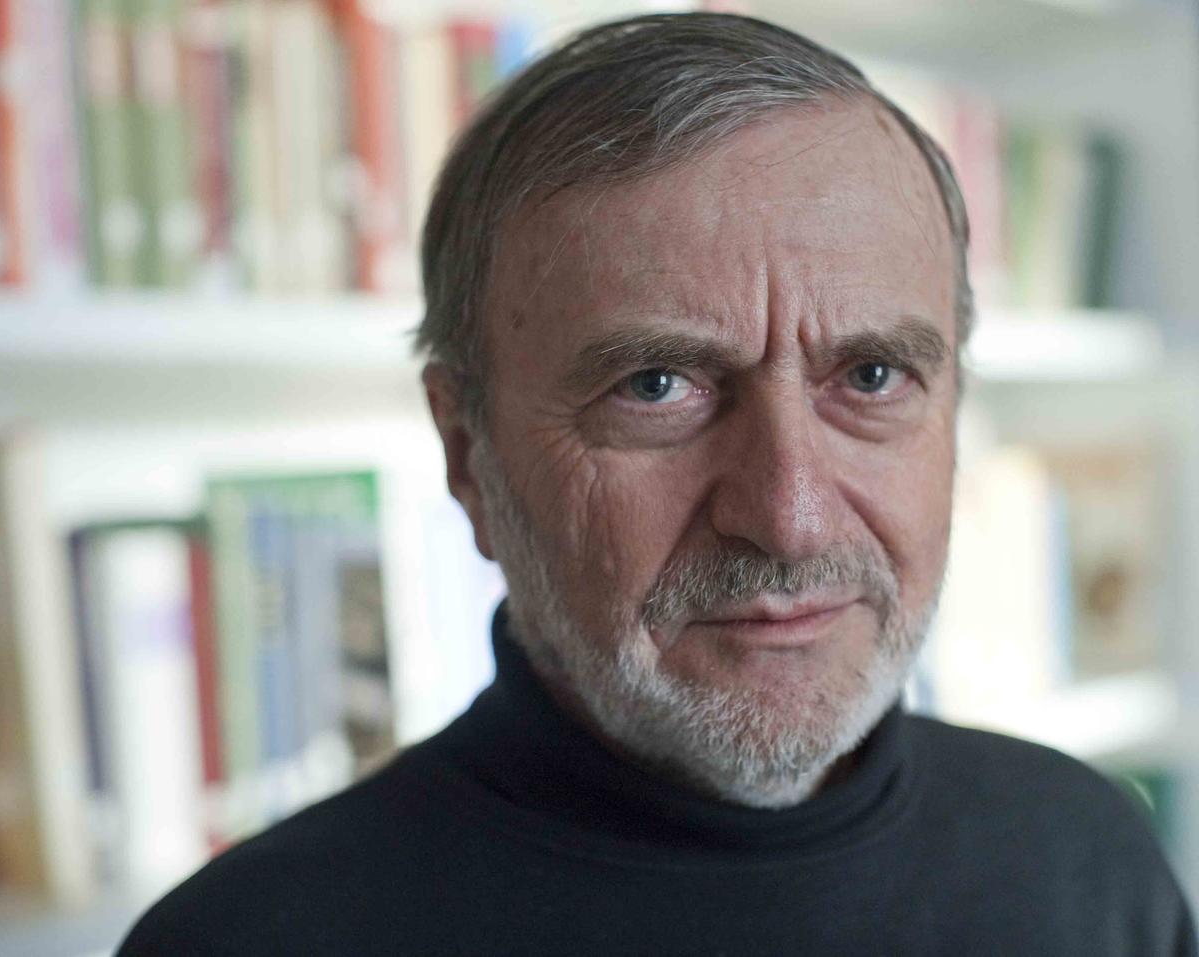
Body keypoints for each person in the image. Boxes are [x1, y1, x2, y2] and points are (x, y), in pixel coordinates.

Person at [118, 12, 1196, 955]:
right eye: (657, 386)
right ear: (467, 454)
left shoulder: (1088, 857)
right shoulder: (250, 940)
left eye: (871, 377)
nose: (788, 517)